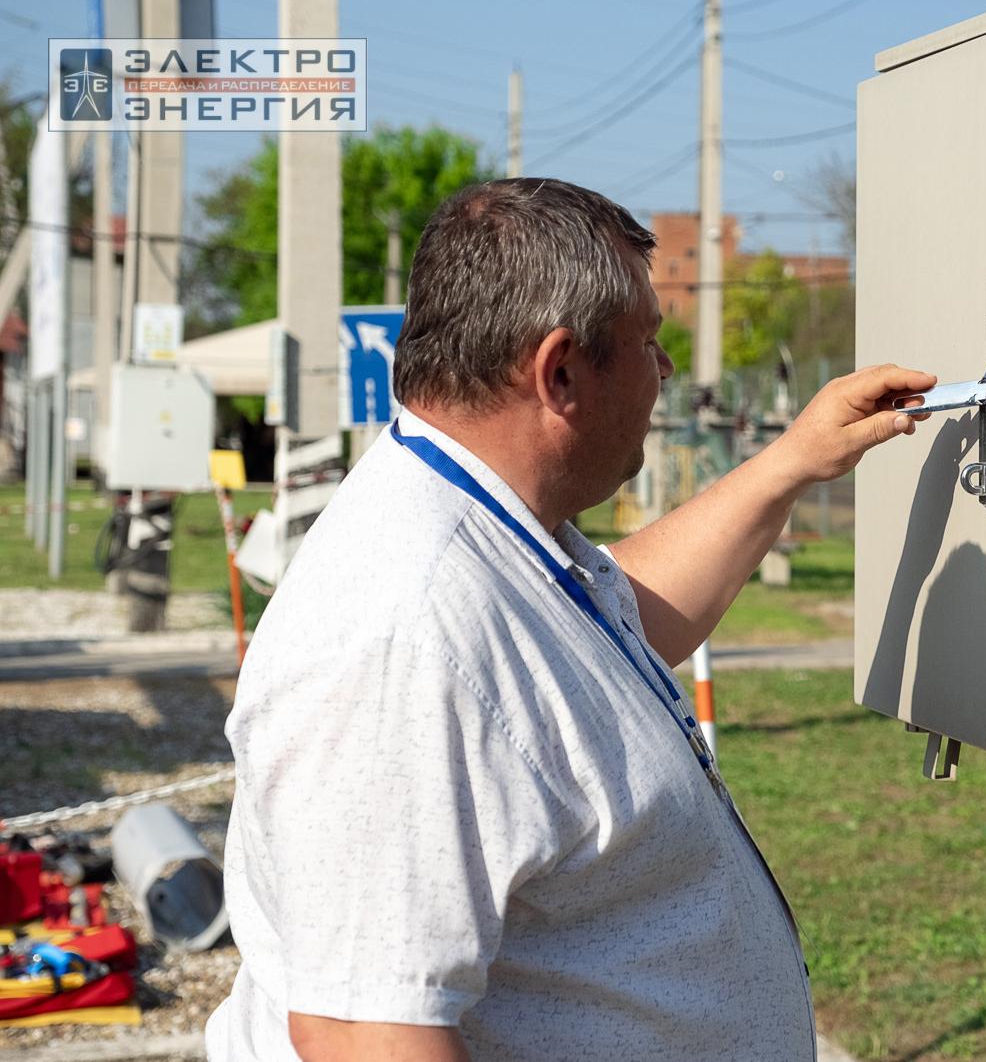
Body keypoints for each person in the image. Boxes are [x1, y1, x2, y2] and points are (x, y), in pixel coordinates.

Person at [206, 178, 935, 1061]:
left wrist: (790, 463)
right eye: (648, 344)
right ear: (559, 372)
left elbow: (615, 631)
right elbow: (368, 1034)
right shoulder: (404, 636)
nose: (665, 371)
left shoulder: (478, 521)